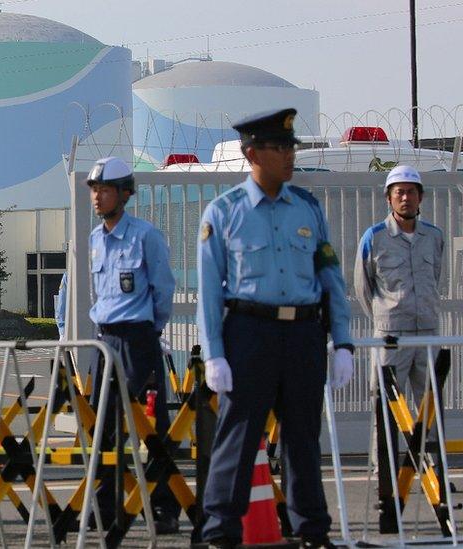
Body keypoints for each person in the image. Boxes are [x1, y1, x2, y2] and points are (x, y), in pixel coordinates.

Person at [196, 108, 354, 548]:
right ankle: (220, 532)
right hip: (249, 331)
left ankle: (312, 531)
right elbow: (210, 291)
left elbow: (330, 277)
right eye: (280, 147)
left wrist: (343, 342)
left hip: (303, 333)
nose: (289, 156)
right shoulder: (224, 212)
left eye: (291, 147)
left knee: (303, 436)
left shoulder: (307, 207)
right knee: (238, 436)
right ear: (252, 153)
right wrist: (214, 353)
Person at [85, 156, 180, 534]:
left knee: (150, 428)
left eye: (104, 190)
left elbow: (163, 291)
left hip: (138, 340)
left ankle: (163, 507)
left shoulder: (145, 237)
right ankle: (106, 505)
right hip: (105, 339)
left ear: (124, 194)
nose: (97, 197)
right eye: (94, 190)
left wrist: (148, 331)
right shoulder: (94, 240)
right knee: (103, 428)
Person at [353, 164, 444, 532]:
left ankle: (432, 473)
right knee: (387, 408)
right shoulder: (373, 237)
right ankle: (386, 477)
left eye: (411, 191)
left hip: (428, 333)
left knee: (429, 404)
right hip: (391, 336)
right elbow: (363, 287)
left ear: (421, 197)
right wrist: (383, 317)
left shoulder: (434, 236)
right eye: (399, 192)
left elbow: (436, 276)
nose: (405, 197)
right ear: (389, 198)